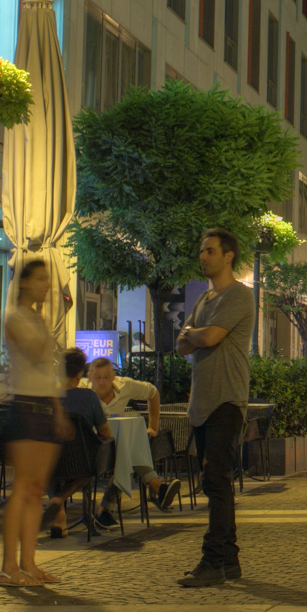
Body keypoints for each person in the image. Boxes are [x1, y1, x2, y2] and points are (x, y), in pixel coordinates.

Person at [175, 228, 255, 587]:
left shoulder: (238, 295)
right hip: (202, 403)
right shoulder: (205, 299)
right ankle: (230, 559)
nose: (203, 256)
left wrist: (193, 334)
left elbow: (207, 337)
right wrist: (194, 336)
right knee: (214, 482)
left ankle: (212, 561)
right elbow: (182, 346)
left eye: (209, 251)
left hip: (226, 399)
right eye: (201, 251)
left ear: (228, 256)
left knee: (216, 481)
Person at [0, 258, 71, 587]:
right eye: (40, 279)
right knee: (22, 487)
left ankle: (29, 563)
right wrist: (49, 323)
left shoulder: (38, 319)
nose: (46, 285)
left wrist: (58, 410)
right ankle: (8, 566)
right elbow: (34, 351)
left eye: (47, 279)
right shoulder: (15, 317)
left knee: (36, 489)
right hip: (25, 406)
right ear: (25, 282)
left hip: (44, 406)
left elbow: (48, 372)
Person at [83, 356, 181, 518]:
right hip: (89, 446)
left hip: (115, 445)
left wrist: (153, 426)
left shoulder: (125, 386)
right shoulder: (82, 390)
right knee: (126, 452)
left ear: (113, 376)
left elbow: (153, 393)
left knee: (125, 452)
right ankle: (157, 487)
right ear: (89, 376)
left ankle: (106, 510)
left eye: (106, 377)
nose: (102, 382)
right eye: (97, 377)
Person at [44, 349, 111, 539]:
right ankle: (60, 499)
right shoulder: (89, 397)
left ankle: (60, 517)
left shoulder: (50, 397)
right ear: (80, 372)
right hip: (82, 462)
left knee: (50, 473)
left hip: (52, 458)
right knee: (86, 473)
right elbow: (105, 432)